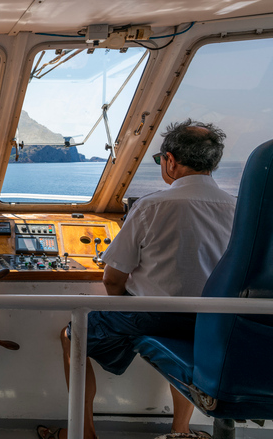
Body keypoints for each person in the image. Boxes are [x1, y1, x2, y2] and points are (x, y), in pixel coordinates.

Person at [37, 119, 237, 439]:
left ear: (170, 160)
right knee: (188, 346)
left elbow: (113, 279)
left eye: (161, 160)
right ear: (213, 163)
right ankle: (181, 431)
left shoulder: (151, 206)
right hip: (211, 321)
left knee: (73, 334)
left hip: (149, 315)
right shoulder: (236, 209)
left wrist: (121, 311)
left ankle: (83, 433)